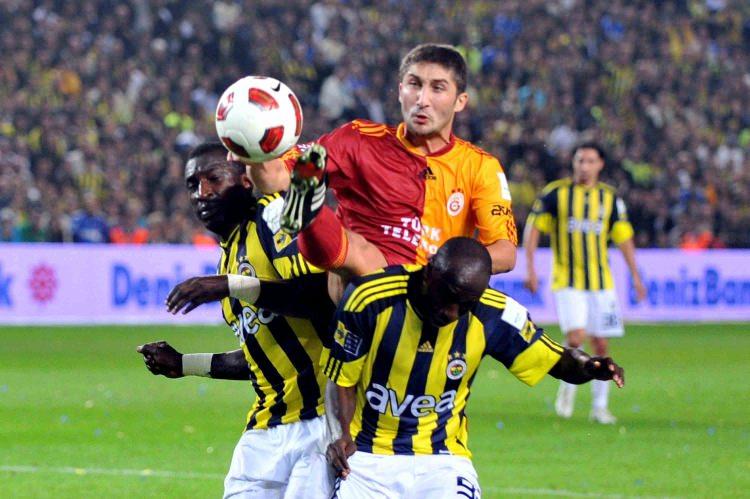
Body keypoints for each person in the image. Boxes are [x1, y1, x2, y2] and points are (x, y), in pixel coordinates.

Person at [321, 237, 624, 497]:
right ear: (429, 272)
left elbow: (555, 358)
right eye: (448, 298)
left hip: (443, 459)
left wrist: (589, 366)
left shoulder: (494, 313)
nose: (452, 313)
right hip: (366, 457)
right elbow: (341, 380)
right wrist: (340, 434)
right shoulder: (370, 300)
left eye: (464, 306)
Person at [137, 142, 334, 498]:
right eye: (193, 185)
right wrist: (184, 364)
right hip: (267, 426)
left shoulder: (272, 219)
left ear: (245, 179)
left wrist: (231, 285)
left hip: (321, 420)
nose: (202, 192)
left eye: (213, 178)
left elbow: (320, 299)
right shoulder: (227, 258)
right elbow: (261, 355)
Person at [240, 43, 518, 283]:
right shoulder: (358, 139)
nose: (422, 100)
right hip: (360, 289)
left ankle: (310, 214)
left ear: (460, 101)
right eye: (414, 84)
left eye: (438, 88)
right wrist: (251, 152)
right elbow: (274, 178)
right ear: (400, 90)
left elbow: (505, 253)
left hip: (431, 292)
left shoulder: (480, 166)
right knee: (359, 250)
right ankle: (308, 214)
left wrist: (443, 266)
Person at [523, 142, 646, 424]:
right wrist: (530, 268)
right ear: (574, 163)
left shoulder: (610, 198)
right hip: (567, 280)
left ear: (600, 164)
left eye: (590, 161)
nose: (584, 166)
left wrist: (636, 276)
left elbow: (624, 238)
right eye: (580, 160)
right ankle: (567, 391)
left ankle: (599, 407)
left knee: (601, 345)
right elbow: (534, 229)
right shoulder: (556, 193)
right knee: (577, 338)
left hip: (601, 283)